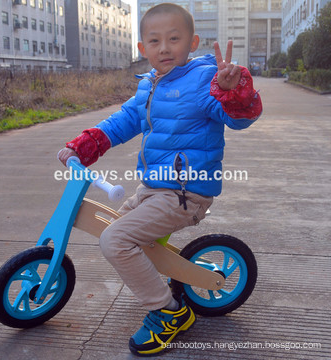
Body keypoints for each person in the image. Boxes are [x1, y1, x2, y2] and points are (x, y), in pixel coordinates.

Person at [58, 3, 262, 356]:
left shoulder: (205, 81)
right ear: (142, 49)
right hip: (156, 189)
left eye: (174, 38)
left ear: (192, 41)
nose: (164, 48)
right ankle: (167, 279)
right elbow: (121, 123)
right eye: (154, 41)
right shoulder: (148, 86)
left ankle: (169, 312)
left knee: (116, 240)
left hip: (186, 193)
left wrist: (235, 91)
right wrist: (83, 146)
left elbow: (239, 119)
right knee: (120, 227)